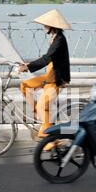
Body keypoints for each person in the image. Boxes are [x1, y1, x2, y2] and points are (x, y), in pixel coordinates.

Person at [18, 9, 71, 139]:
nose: (44, 27)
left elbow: (47, 58)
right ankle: (37, 112)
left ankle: (49, 138)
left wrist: (28, 67)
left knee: (43, 105)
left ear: (52, 26)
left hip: (56, 79)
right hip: (49, 76)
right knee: (25, 85)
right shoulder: (54, 37)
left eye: (46, 24)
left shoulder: (59, 40)